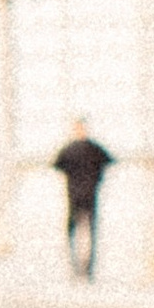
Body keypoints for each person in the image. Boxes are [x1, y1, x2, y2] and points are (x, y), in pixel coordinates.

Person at [54, 118, 113, 278]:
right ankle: (83, 267)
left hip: (77, 194)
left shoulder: (71, 149)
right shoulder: (92, 149)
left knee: (78, 231)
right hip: (86, 194)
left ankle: (81, 267)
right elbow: (109, 161)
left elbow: (56, 164)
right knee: (86, 231)